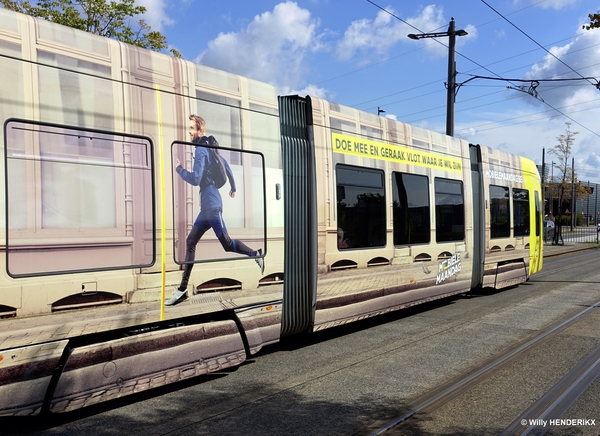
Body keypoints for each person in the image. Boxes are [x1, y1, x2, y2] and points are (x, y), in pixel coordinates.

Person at [166, 115, 264, 306]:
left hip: (211, 205)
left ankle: (255, 254)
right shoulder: (210, 148)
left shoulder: (201, 149)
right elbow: (226, 166)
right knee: (190, 241)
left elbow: (195, 179)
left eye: (192, 129)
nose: (189, 132)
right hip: (207, 206)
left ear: (200, 131)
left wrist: (178, 168)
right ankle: (183, 289)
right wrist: (233, 187)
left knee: (226, 244)